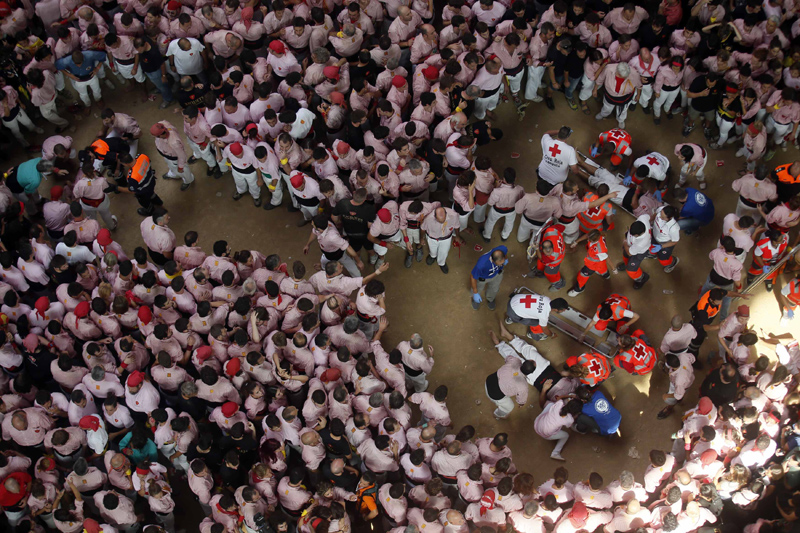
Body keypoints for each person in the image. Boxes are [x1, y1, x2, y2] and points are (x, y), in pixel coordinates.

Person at [537, 127, 579, 195]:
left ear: (558, 133)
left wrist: (560, 132)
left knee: (542, 187)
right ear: (568, 137)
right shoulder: (570, 150)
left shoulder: (547, 141)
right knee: (551, 190)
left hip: (542, 172)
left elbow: (546, 133)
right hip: (556, 180)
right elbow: (575, 170)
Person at [470, 246, 507, 310]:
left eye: (502, 263)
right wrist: (475, 292)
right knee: (478, 288)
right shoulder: (481, 264)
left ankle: (490, 298)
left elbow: (505, 253)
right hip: (483, 278)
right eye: (499, 264)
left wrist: (506, 259)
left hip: (497, 274)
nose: (501, 265)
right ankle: (475, 300)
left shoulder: (502, 249)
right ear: (492, 260)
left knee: (494, 289)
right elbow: (473, 277)